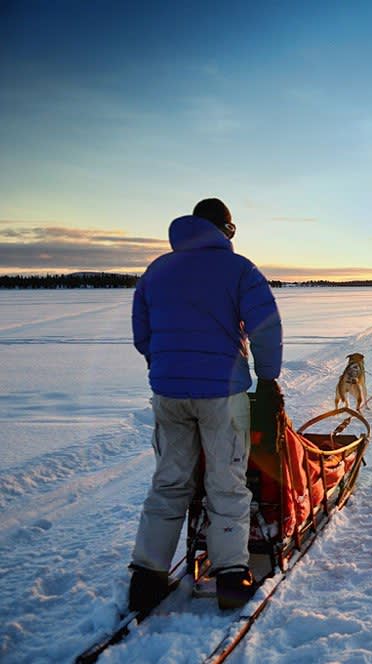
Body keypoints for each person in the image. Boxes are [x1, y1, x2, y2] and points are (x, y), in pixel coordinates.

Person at [129, 198, 283, 612]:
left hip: (168, 393)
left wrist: (167, 365)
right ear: (224, 230)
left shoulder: (157, 271)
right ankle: (232, 576)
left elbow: (143, 335)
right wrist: (267, 377)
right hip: (222, 392)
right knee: (226, 481)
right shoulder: (239, 270)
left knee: (169, 481)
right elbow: (266, 326)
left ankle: (146, 577)